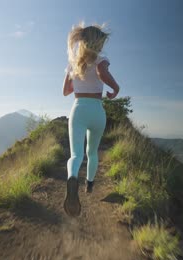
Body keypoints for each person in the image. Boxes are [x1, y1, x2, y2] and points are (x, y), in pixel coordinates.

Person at [62, 23, 120, 217]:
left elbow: (65, 92)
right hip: (97, 111)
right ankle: (89, 185)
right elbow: (102, 73)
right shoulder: (102, 59)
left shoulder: (72, 64)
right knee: (92, 152)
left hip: (78, 109)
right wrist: (116, 89)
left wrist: (78, 82)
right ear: (97, 42)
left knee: (76, 155)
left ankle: (72, 178)